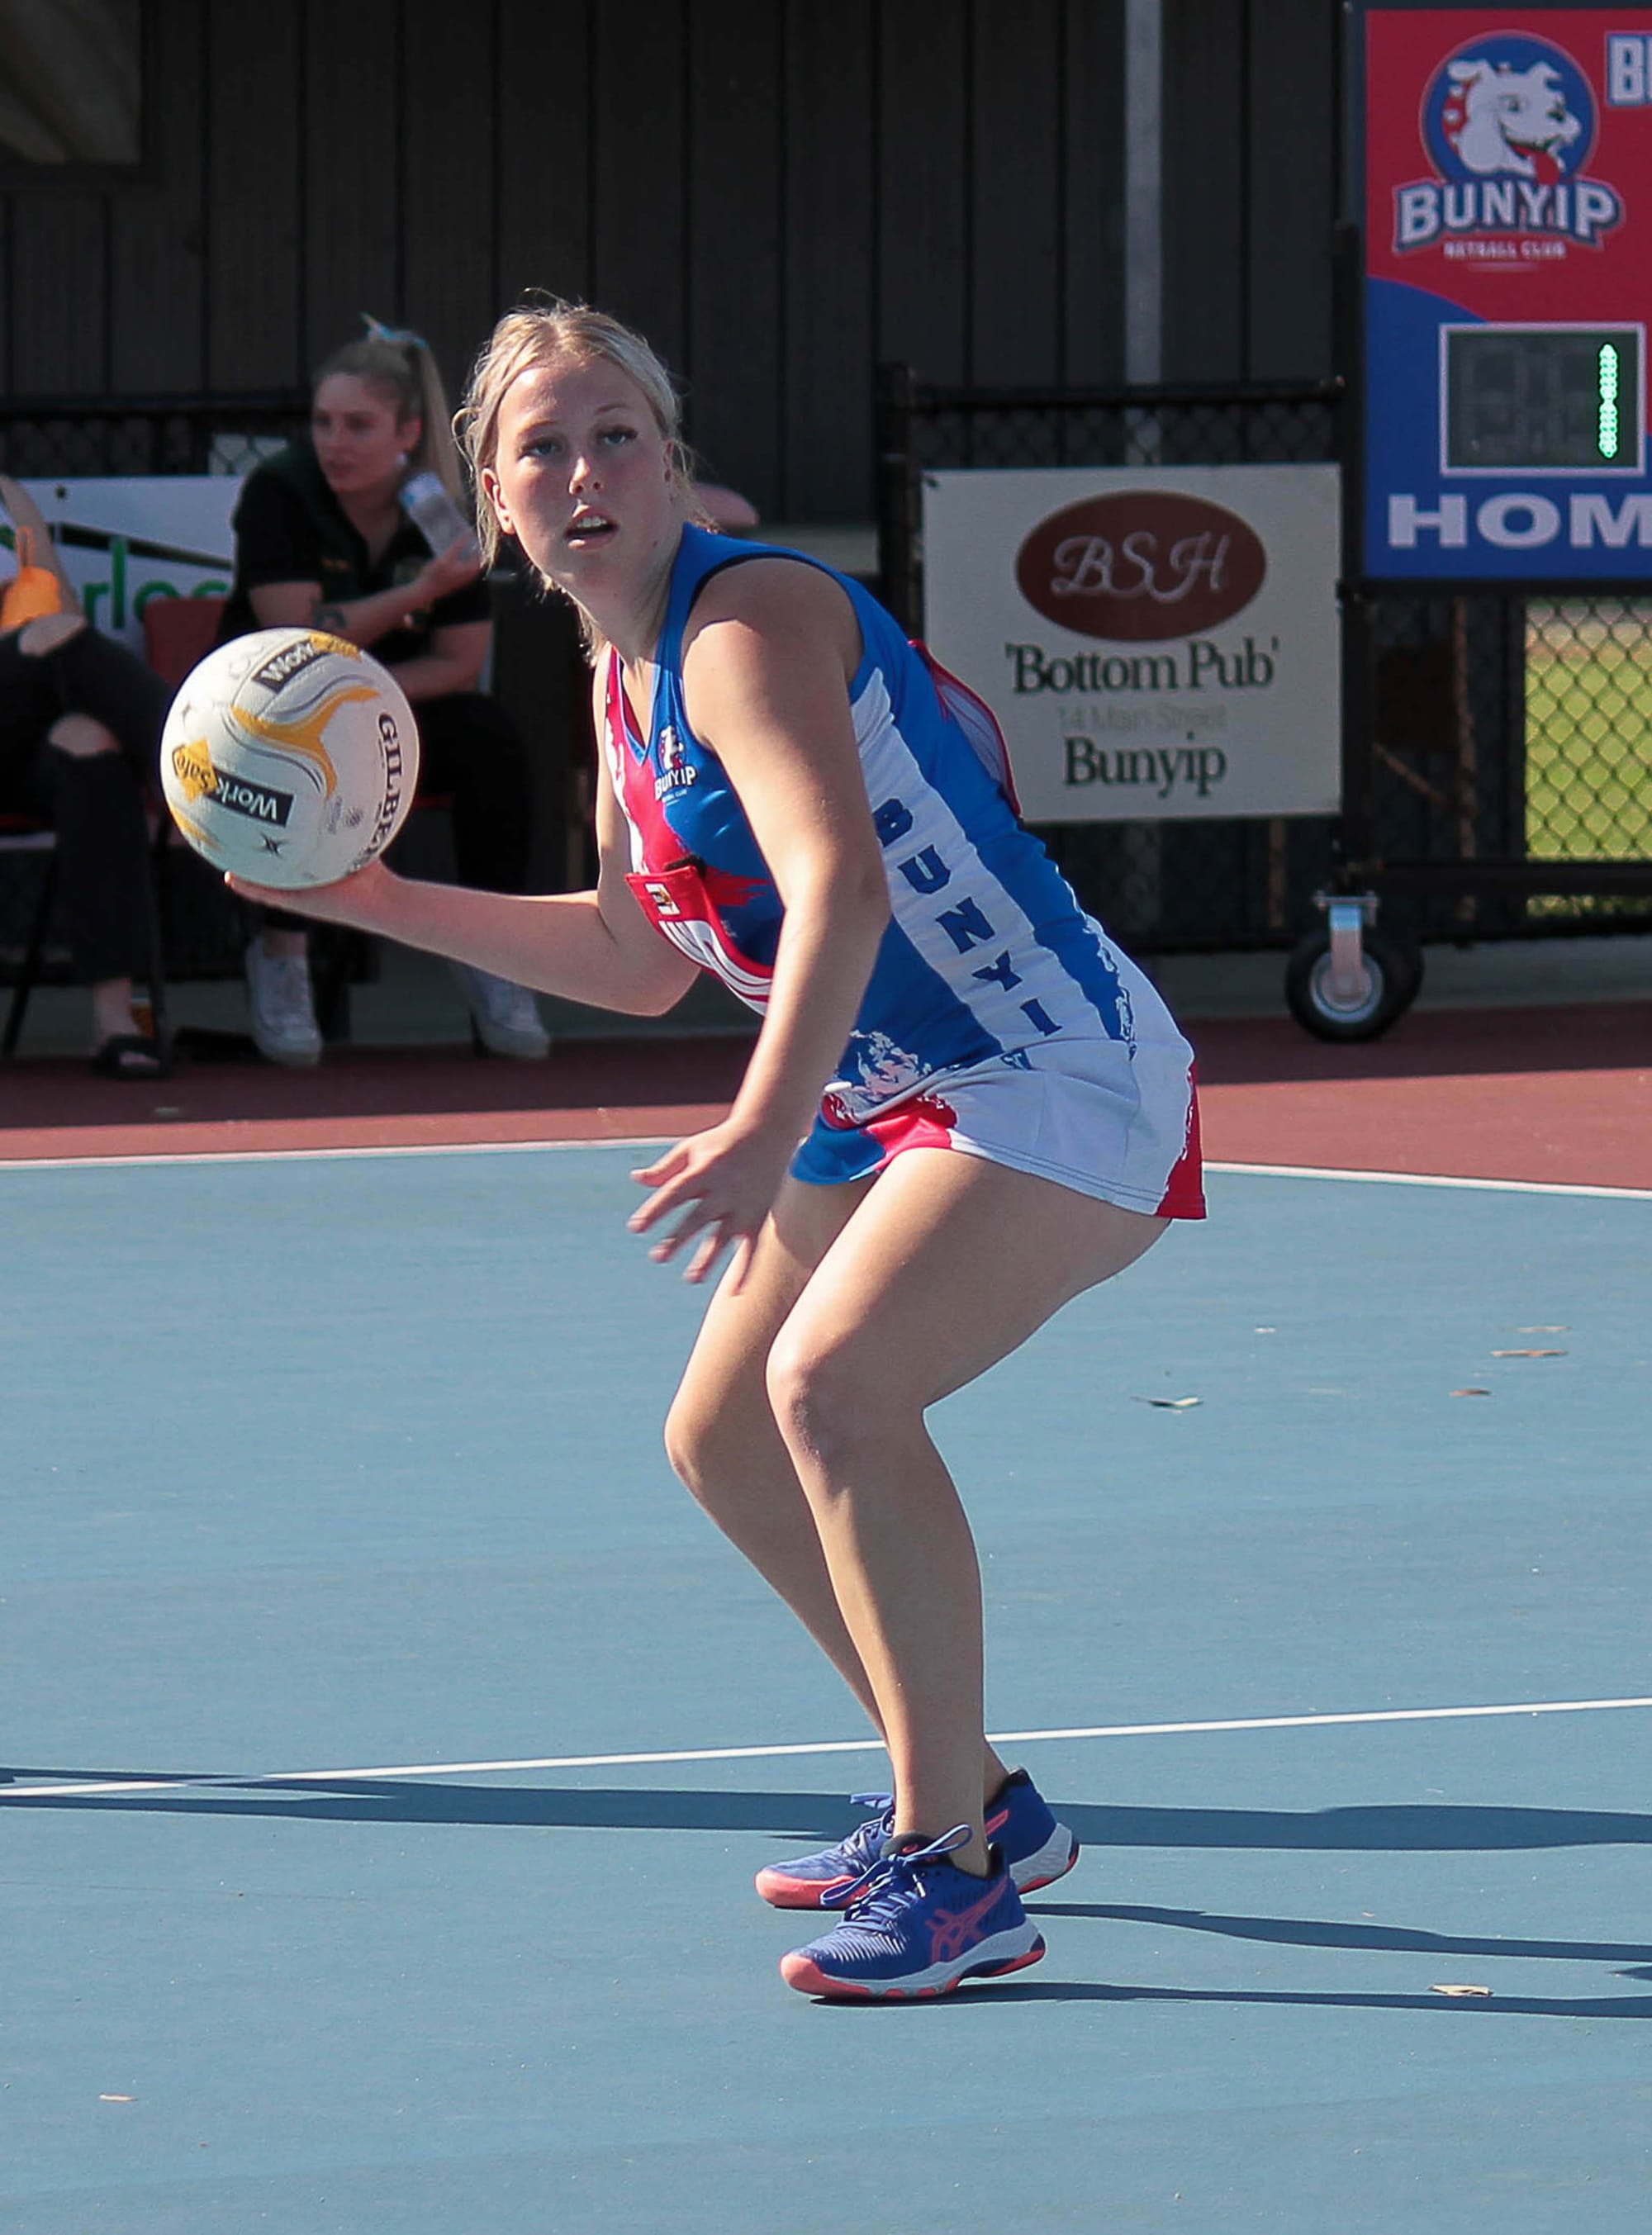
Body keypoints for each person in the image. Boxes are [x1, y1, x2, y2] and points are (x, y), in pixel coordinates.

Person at [232, 301, 1205, 2000]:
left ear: (671, 464)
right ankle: (972, 1789)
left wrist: (761, 1126)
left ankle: (956, 1874)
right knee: (723, 1439)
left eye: (618, 435)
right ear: (492, 498)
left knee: (831, 1390)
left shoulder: (742, 622)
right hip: (886, 1081)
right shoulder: (620, 681)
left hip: (1048, 1063)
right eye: (543, 447)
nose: (586, 470)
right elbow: (633, 955)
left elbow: (841, 881)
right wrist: (379, 901)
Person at [218, 320, 548, 1064]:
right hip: (264, 717)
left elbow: (460, 662)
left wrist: (366, 708)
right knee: (296, 736)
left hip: (386, 716)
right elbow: (298, 636)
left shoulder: (437, 512)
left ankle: (495, 956)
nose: (335, 442)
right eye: (323, 423)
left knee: (488, 735)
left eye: (358, 426)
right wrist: (419, 595)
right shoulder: (281, 491)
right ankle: (281, 955)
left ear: (406, 431)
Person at [0, 477, 172, 1078]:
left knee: (88, 744)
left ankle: (113, 1019)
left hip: (17, 728)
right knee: (51, 637)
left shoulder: (9, 500)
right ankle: (199, 777)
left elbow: (59, 613)